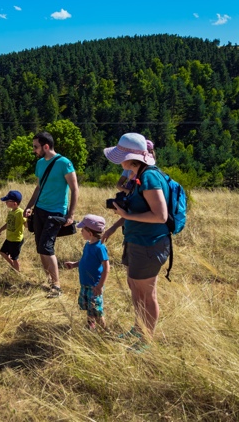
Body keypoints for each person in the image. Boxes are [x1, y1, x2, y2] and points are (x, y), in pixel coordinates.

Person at [102, 133, 168, 352]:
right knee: (135, 287)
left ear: (130, 159)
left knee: (147, 294)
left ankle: (146, 340)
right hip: (137, 240)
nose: (119, 162)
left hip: (148, 243)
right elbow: (141, 208)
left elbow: (160, 216)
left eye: (121, 156)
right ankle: (139, 328)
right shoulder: (140, 176)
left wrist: (127, 216)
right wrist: (121, 220)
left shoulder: (149, 178)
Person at [23, 131, 79, 298]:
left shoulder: (64, 163)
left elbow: (75, 189)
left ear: (46, 146)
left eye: (36, 147)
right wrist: (29, 207)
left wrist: (70, 215)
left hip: (55, 212)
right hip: (39, 210)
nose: (34, 150)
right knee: (40, 247)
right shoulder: (40, 163)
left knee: (47, 247)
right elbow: (39, 187)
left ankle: (56, 286)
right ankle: (48, 280)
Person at [63, 214, 110, 330]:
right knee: (89, 309)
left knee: (97, 310)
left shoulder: (100, 248)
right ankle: (91, 328)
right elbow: (85, 260)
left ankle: (105, 332)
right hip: (85, 284)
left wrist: (100, 285)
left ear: (90, 233)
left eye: (83, 230)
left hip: (94, 286)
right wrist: (74, 264)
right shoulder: (88, 245)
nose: (81, 232)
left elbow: (106, 268)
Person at [0, 190, 25, 272]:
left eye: (7, 201)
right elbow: (8, 224)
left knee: (15, 258)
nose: (6, 203)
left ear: (15, 203)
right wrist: (0, 230)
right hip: (9, 238)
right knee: (2, 252)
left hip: (16, 240)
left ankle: (17, 272)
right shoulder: (11, 212)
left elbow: (26, 224)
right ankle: (13, 265)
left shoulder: (20, 213)